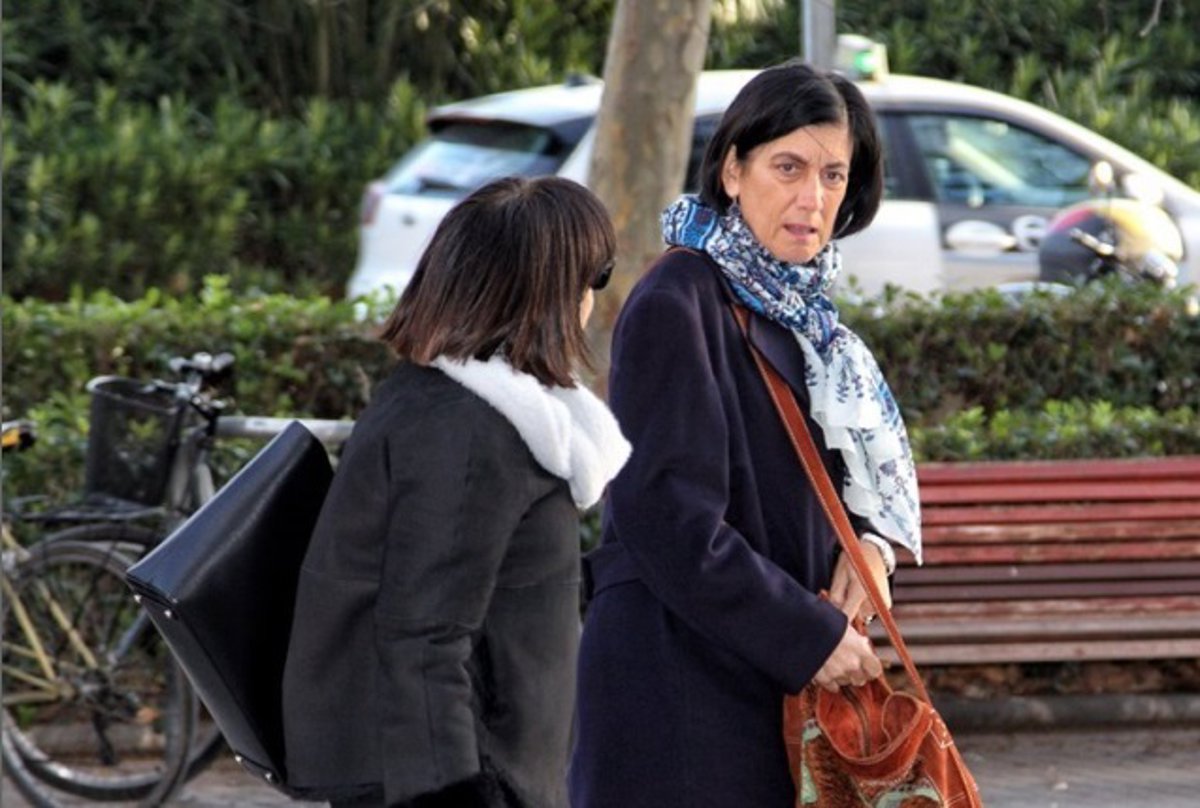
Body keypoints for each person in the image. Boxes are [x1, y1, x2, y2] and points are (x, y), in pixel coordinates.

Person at [568, 61, 923, 807]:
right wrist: (807, 636)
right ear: (732, 170)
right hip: (678, 694)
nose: (812, 198)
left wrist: (870, 547)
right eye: (787, 168)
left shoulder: (805, 318)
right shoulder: (678, 301)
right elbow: (667, 519)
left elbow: (817, 481)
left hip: (756, 683)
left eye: (833, 174)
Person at [282, 176, 630, 808]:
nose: (591, 297)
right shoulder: (467, 431)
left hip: (494, 764)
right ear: (544, 292)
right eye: (593, 276)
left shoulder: (461, 408)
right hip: (461, 777)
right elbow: (422, 638)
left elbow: (491, 579)